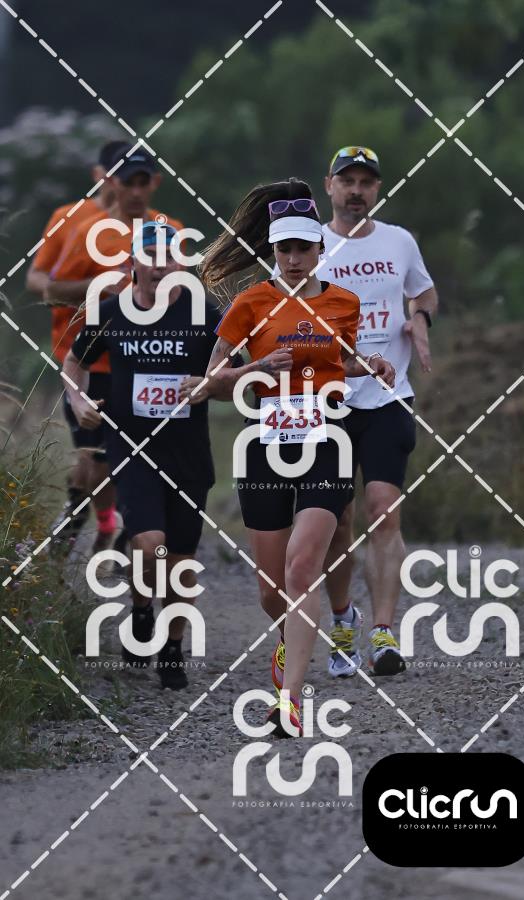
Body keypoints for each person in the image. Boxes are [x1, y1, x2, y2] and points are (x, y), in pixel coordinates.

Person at [184, 178, 395, 736]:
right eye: (285, 249)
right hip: (265, 447)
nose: (295, 259)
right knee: (271, 591)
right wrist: (256, 368)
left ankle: (290, 701)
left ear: (320, 248)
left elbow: (340, 363)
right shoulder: (249, 304)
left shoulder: (343, 302)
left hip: (326, 441)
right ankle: (289, 638)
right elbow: (211, 382)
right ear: (273, 251)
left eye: (304, 248)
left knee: (303, 568)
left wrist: (371, 365)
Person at [62, 221, 217, 690]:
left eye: (168, 257)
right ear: (133, 263)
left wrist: (210, 384)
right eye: (150, 257)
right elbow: (74, 363)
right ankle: (143, 609)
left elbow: (232, 373)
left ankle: (171, 647)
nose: (160, 266)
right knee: (150, 543)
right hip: (131, 446)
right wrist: (78, 401)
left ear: (181, 263)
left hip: (188, 453)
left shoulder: (203, 312)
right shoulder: (111, 311)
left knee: (181, 559)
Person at [320, 145, 438, 678]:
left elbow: (425, 291)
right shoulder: (309, 245)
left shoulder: (399, 241)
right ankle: (343, 620)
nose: (356, 191)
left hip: (389, 396)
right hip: (327, 398)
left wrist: (419, 319)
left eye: (366, 182)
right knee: (336, 520)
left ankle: (384, 633)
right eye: (347, 181)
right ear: (330, 186)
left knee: (384, 509)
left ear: (377, 190)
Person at [47, 144, 184, 564]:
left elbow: (183, 291)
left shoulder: (170, 228)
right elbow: (52, 289)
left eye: (144, 182)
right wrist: (100, 286)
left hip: (148, 362)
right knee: (96, 462)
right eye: (129, 183)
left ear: (154, 183)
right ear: (113, 183)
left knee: (138, 455)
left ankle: (130, 532)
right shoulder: (91, 229)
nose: (137, 191)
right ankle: (99, 521)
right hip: (95, 361)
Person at [26, 140, 129, 549]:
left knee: (114, 454)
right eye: (117, 174)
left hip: (131, 356)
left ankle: (102, 525)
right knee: (91, 453)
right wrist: (95, 287)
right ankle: (87, 525)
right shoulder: (69, 218)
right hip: (79, 353)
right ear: (99, 175)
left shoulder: (146, 225)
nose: (125, 184)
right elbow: (38, 281)